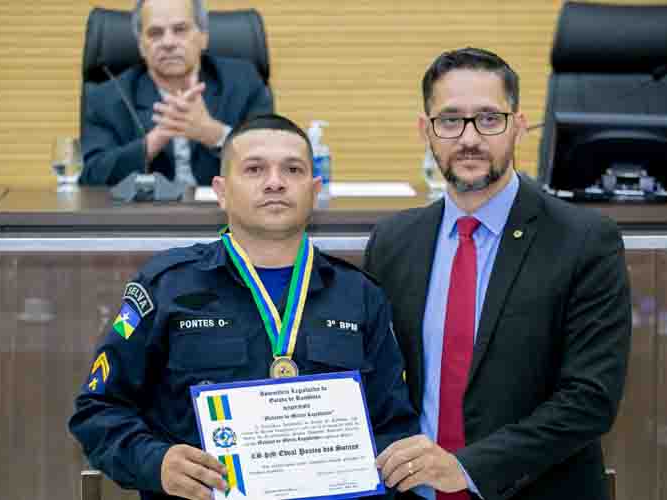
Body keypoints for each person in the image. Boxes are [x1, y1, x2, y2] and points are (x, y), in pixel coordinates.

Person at [69, 113, 418, 500]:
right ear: (221, 190)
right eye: (254, 169)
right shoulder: (166, 285)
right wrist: (158, 463)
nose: (275, 181)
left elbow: (394, 430)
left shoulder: (361, 296)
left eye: (293, 169)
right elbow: (97, 411)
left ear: (314, 190)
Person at [365, 48, 631, 500]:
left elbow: (590, 400)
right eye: (450, 120)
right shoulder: (393, 241)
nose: (469, 138)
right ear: (424, 130)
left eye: (489, 118)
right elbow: (375, 378)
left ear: (519, 125)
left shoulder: (585, 240)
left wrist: (467, 468)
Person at [79, 0, 273, 187]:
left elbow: (271, 158)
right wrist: (153, 141)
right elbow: (90, 179)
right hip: (143, 218)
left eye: (180, 30)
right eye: (155, 33)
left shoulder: (243, 82)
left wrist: (215, 134)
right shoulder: (107, 99)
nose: (168, 42)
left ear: (203, 37)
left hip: (223, 215)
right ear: (141, 46)